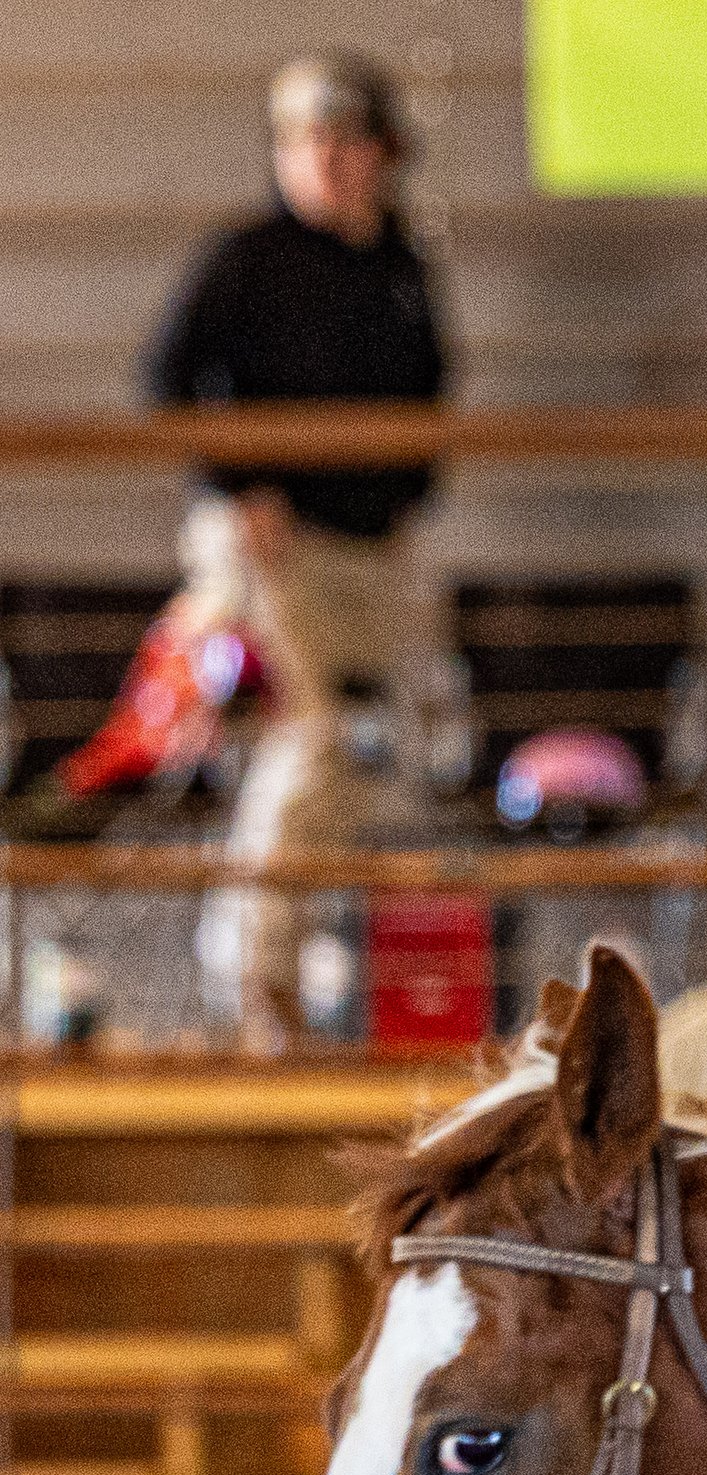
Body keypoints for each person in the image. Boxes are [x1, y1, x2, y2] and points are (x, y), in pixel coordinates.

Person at [145, 51, 447, 1050]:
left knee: (364, 758)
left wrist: (403, 497)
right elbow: (168, 379)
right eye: (304, 140)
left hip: (374, 554)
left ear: (383, 153)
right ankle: (256, 980)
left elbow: (430, 400)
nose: (326, 160)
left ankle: (311, 971)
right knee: (306, 747)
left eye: (345, 140)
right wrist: (239, 487)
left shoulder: (401, 268)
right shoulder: (246, 258)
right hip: (273, 556)